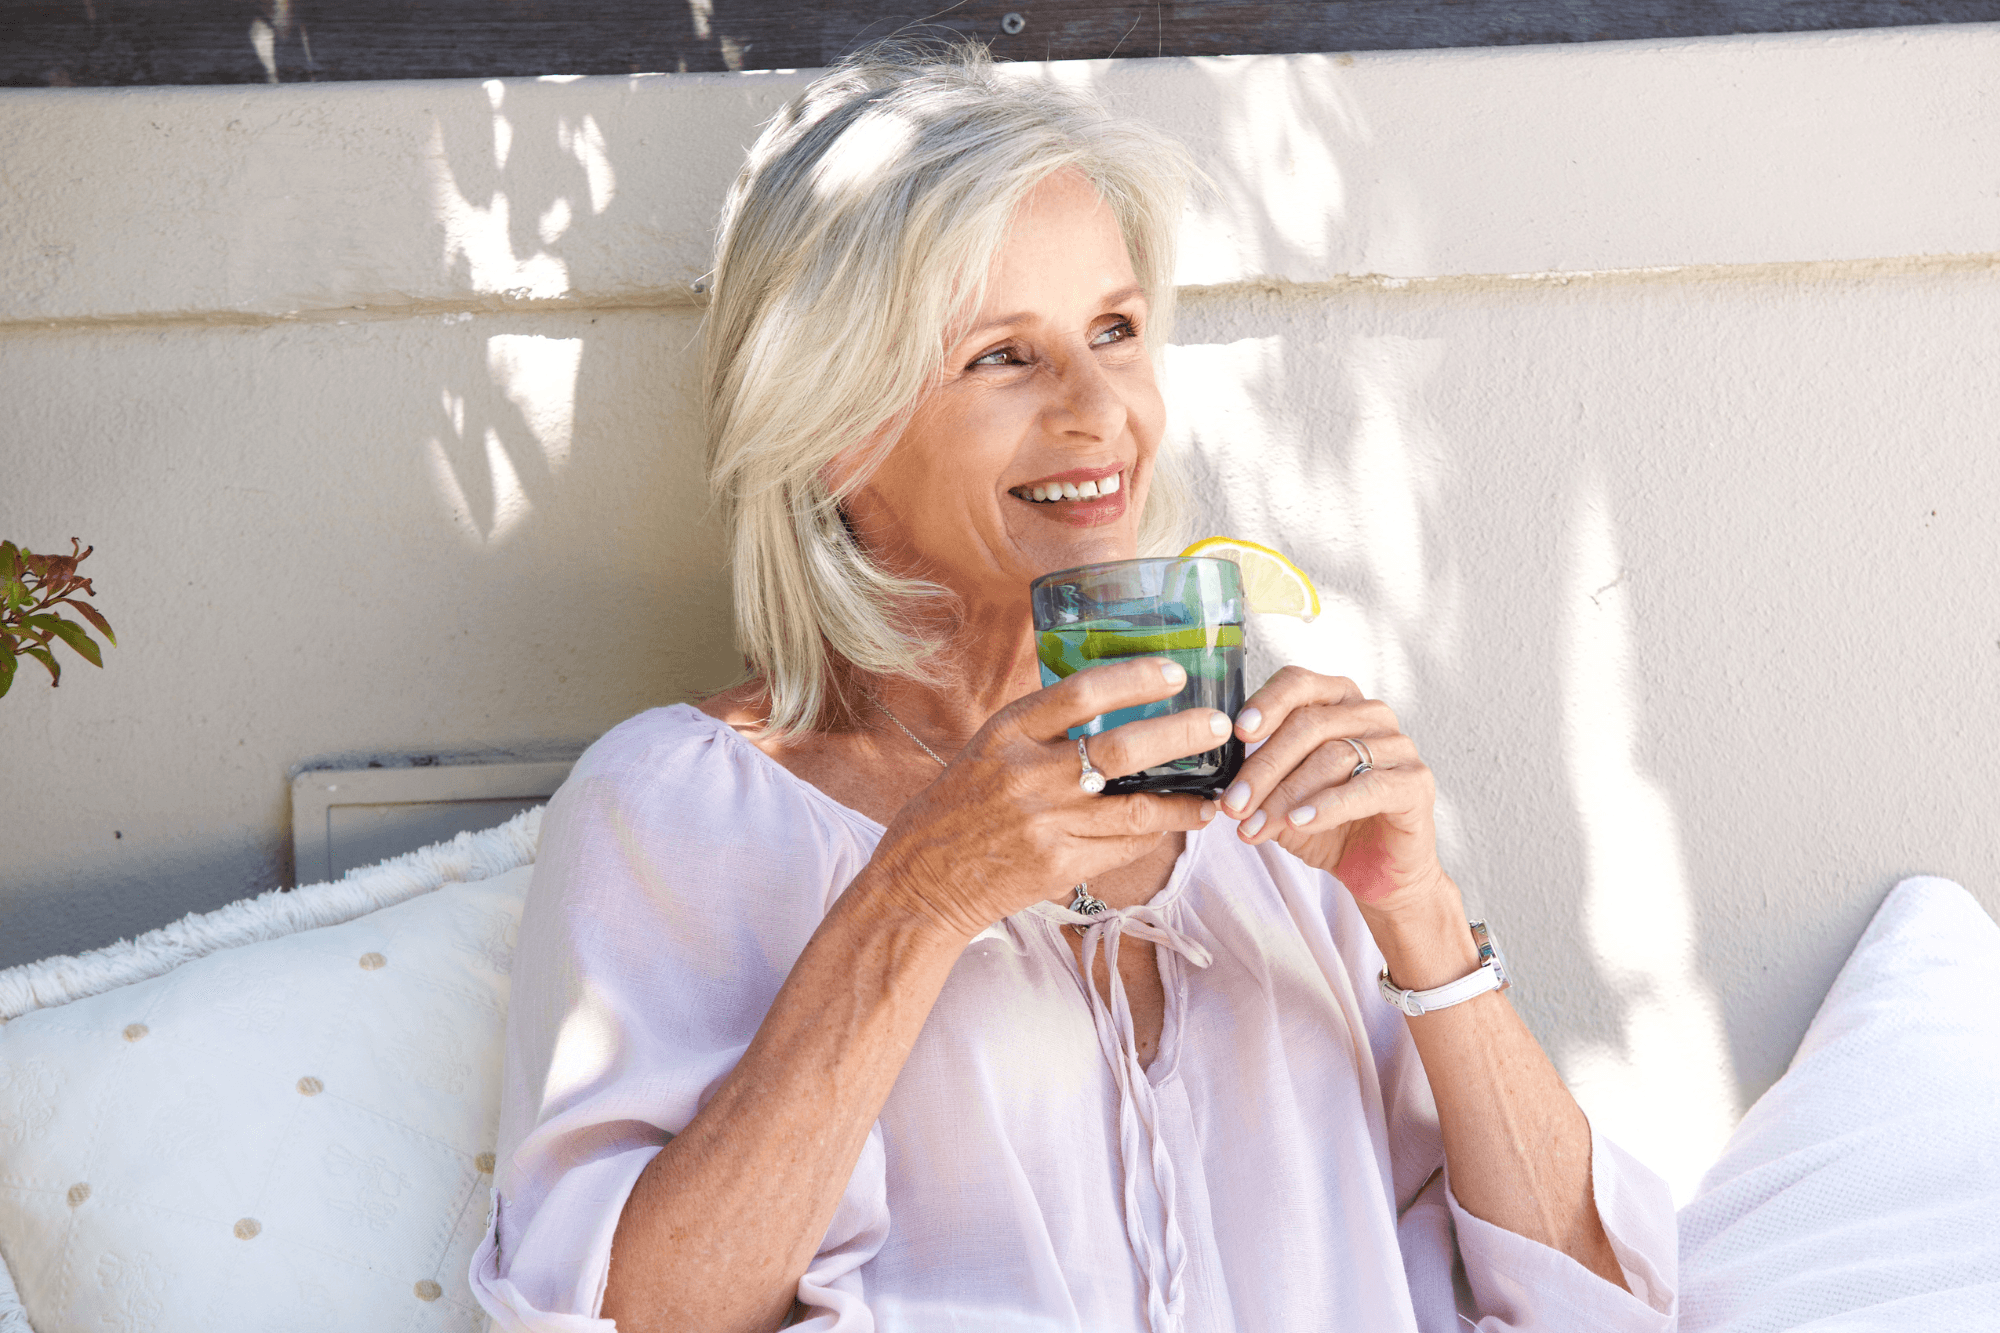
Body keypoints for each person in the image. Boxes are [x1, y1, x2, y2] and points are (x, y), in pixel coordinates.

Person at [471, 41, 1676, 1333]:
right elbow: (631, 1318)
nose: (1101, 408)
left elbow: (1604, 1308)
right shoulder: (682, 808)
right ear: (833, 428)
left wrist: (1421, 916)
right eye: (1005, 356)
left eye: (1115, 330)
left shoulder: (1280, 818)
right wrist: (920, 900)